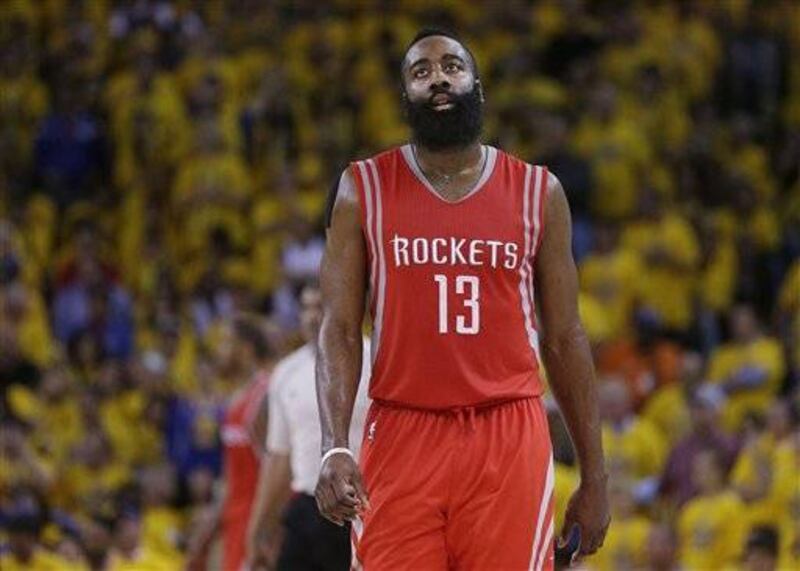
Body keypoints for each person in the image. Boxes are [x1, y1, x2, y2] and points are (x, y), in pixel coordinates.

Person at [315, 28, 609, 570]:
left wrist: (595, 475)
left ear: (478, 86)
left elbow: (565, 337)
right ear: (405, 97)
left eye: (452, 66)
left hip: (507, 432)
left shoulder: (538, 192)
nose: (438, 79)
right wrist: (334, 444)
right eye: (420, 72)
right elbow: (338, 327)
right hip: (402, 429)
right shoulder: (363, 188)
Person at [246, 284, 371, 570]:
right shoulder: (286, 373)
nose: (313, 316)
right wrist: (259, 526)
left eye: (321, 306)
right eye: (306, 308)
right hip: (306, 508)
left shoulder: (375, 362)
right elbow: (278, 458)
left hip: (359, 508)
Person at [185, 317, 274, 571]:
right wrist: (211, 524)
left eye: (225, 343)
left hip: (258, 526)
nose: (218, 351)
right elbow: (230, 476)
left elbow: (276, 469)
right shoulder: (234, 399)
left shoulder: (265, 394)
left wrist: (266, 531)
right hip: (235, 522)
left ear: (245, 348)